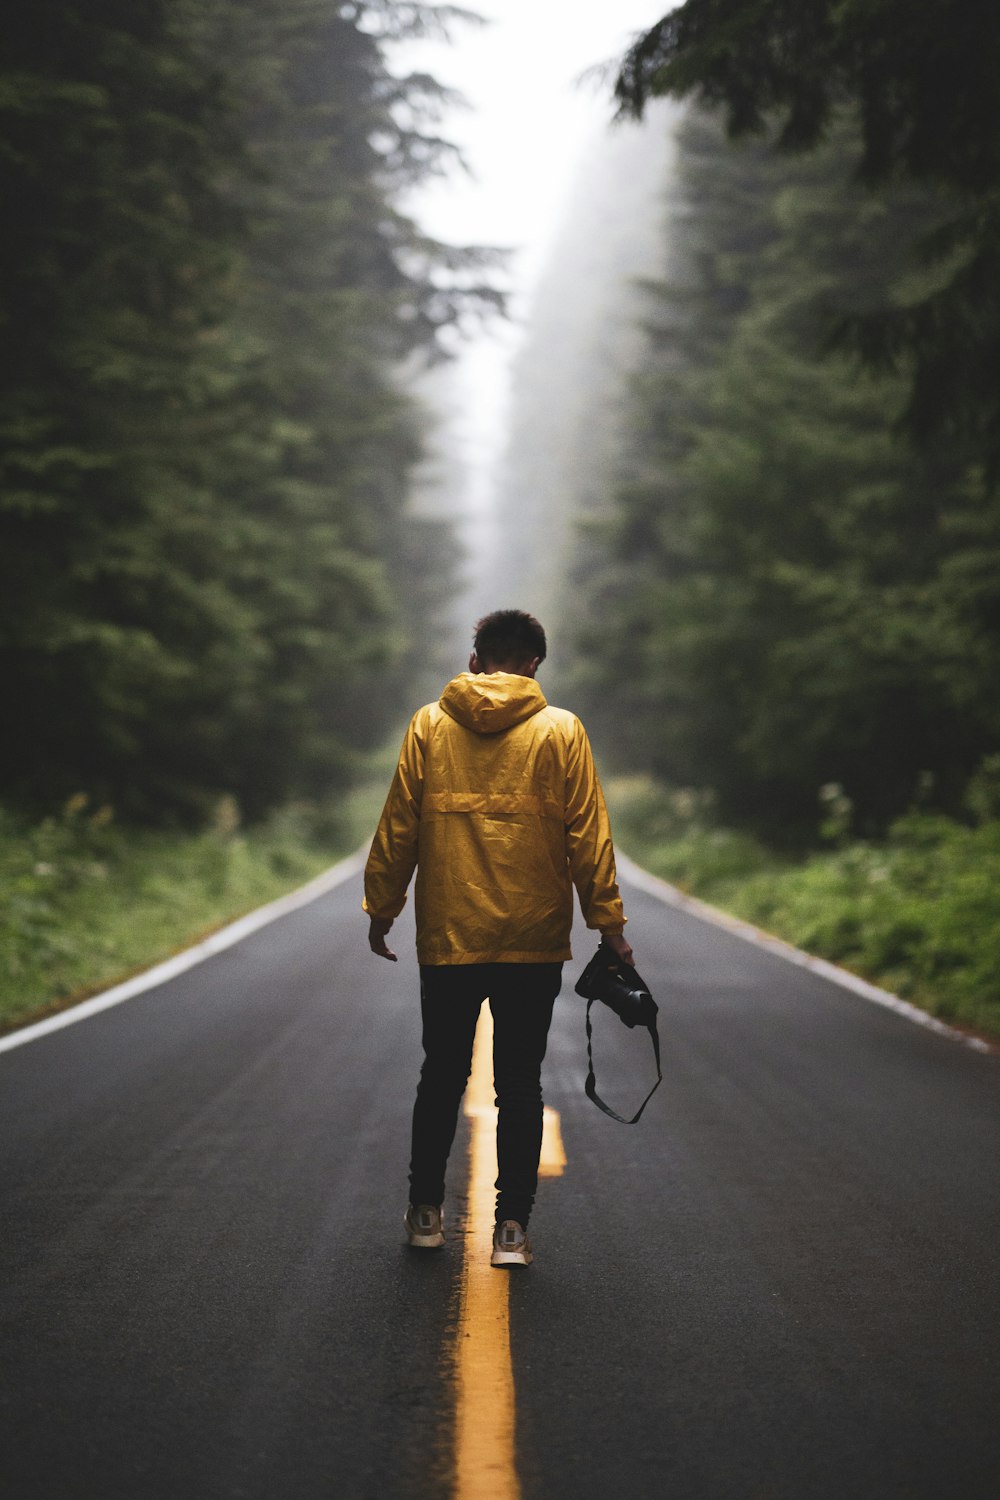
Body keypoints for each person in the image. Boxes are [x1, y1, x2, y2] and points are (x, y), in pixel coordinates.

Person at [364, 609, 632, 1267]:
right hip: (532, 938)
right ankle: (510, 1229)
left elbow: (399, 825)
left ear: (476, 658)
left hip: (450, 935)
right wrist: (610, 926)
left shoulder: (430, 724)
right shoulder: (562, 731)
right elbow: (588, 838)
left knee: (442, 1074)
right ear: (534, 663)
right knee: (519, 1080)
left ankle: (426, 1215)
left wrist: (383, 906)